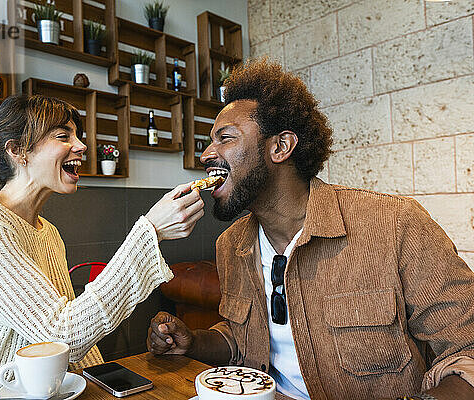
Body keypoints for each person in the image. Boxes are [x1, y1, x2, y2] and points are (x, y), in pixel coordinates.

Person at [147, 59, 474, 400]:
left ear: (280, 146)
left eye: (224, 139)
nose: (206, 154)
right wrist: (194, 340)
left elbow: (468, 347)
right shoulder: (231, 245)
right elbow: (244, 338)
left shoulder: (395, 224)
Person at [0, 95, 204, 400]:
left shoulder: (48, 233)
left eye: (77, 136)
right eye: (63, 136)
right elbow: (63, 334)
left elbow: (70, 338)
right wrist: (149, 232)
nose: (81, 146)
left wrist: (102, 384)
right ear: (18, 151)